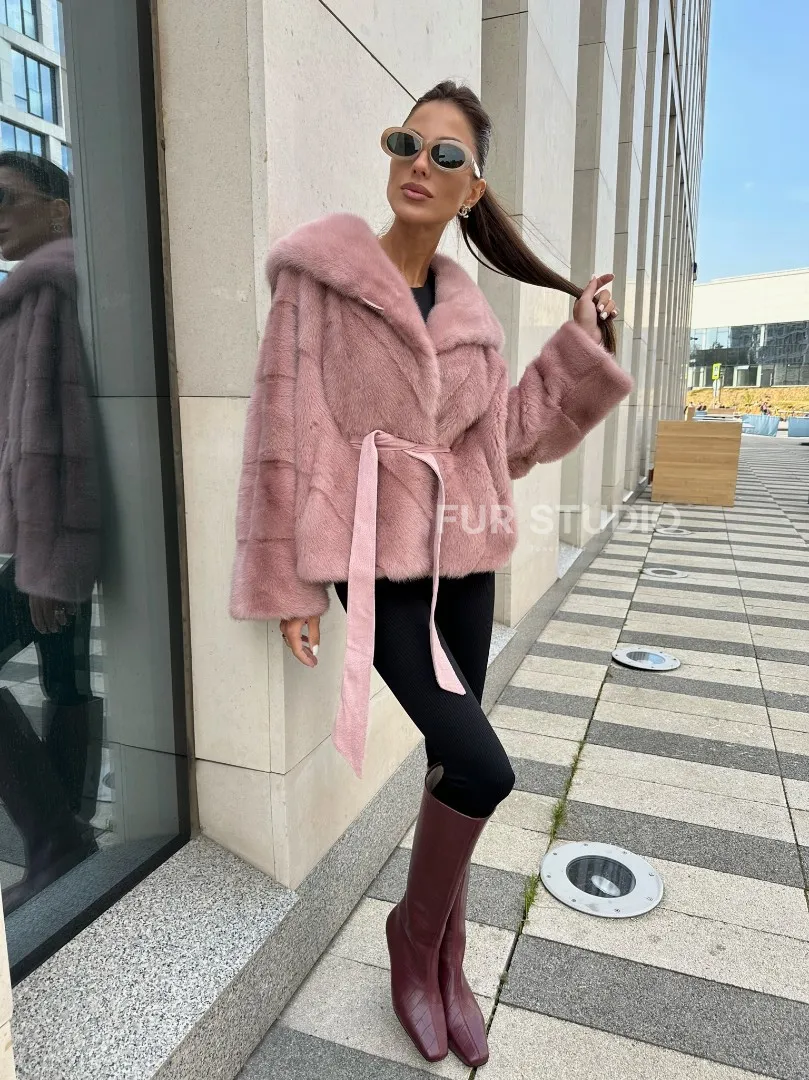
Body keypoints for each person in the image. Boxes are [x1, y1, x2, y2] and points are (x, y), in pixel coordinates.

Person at [230, 81, 632, 1067]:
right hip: (371, 559)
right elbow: (279, 433)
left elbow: (510, 440)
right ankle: (412, 940)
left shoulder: (470, 313)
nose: (420, 163)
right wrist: (287, 584)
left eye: (446, 154)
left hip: (463, 556)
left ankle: (447, 958)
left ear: (470, 189)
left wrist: (581, 346)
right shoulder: (317, 280)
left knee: (454, 764)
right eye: (407, 142)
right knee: (486, 766)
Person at [0, 152, 102, 916]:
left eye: (8, 199)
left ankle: (55, 842)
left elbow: (54, 441)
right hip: (60, 533)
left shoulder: (45, 290)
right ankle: (67, 843)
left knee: (65, 672)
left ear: (58, 210)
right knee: (65, 679)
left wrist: (47, 564)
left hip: (52, 537)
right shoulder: (58, 286)